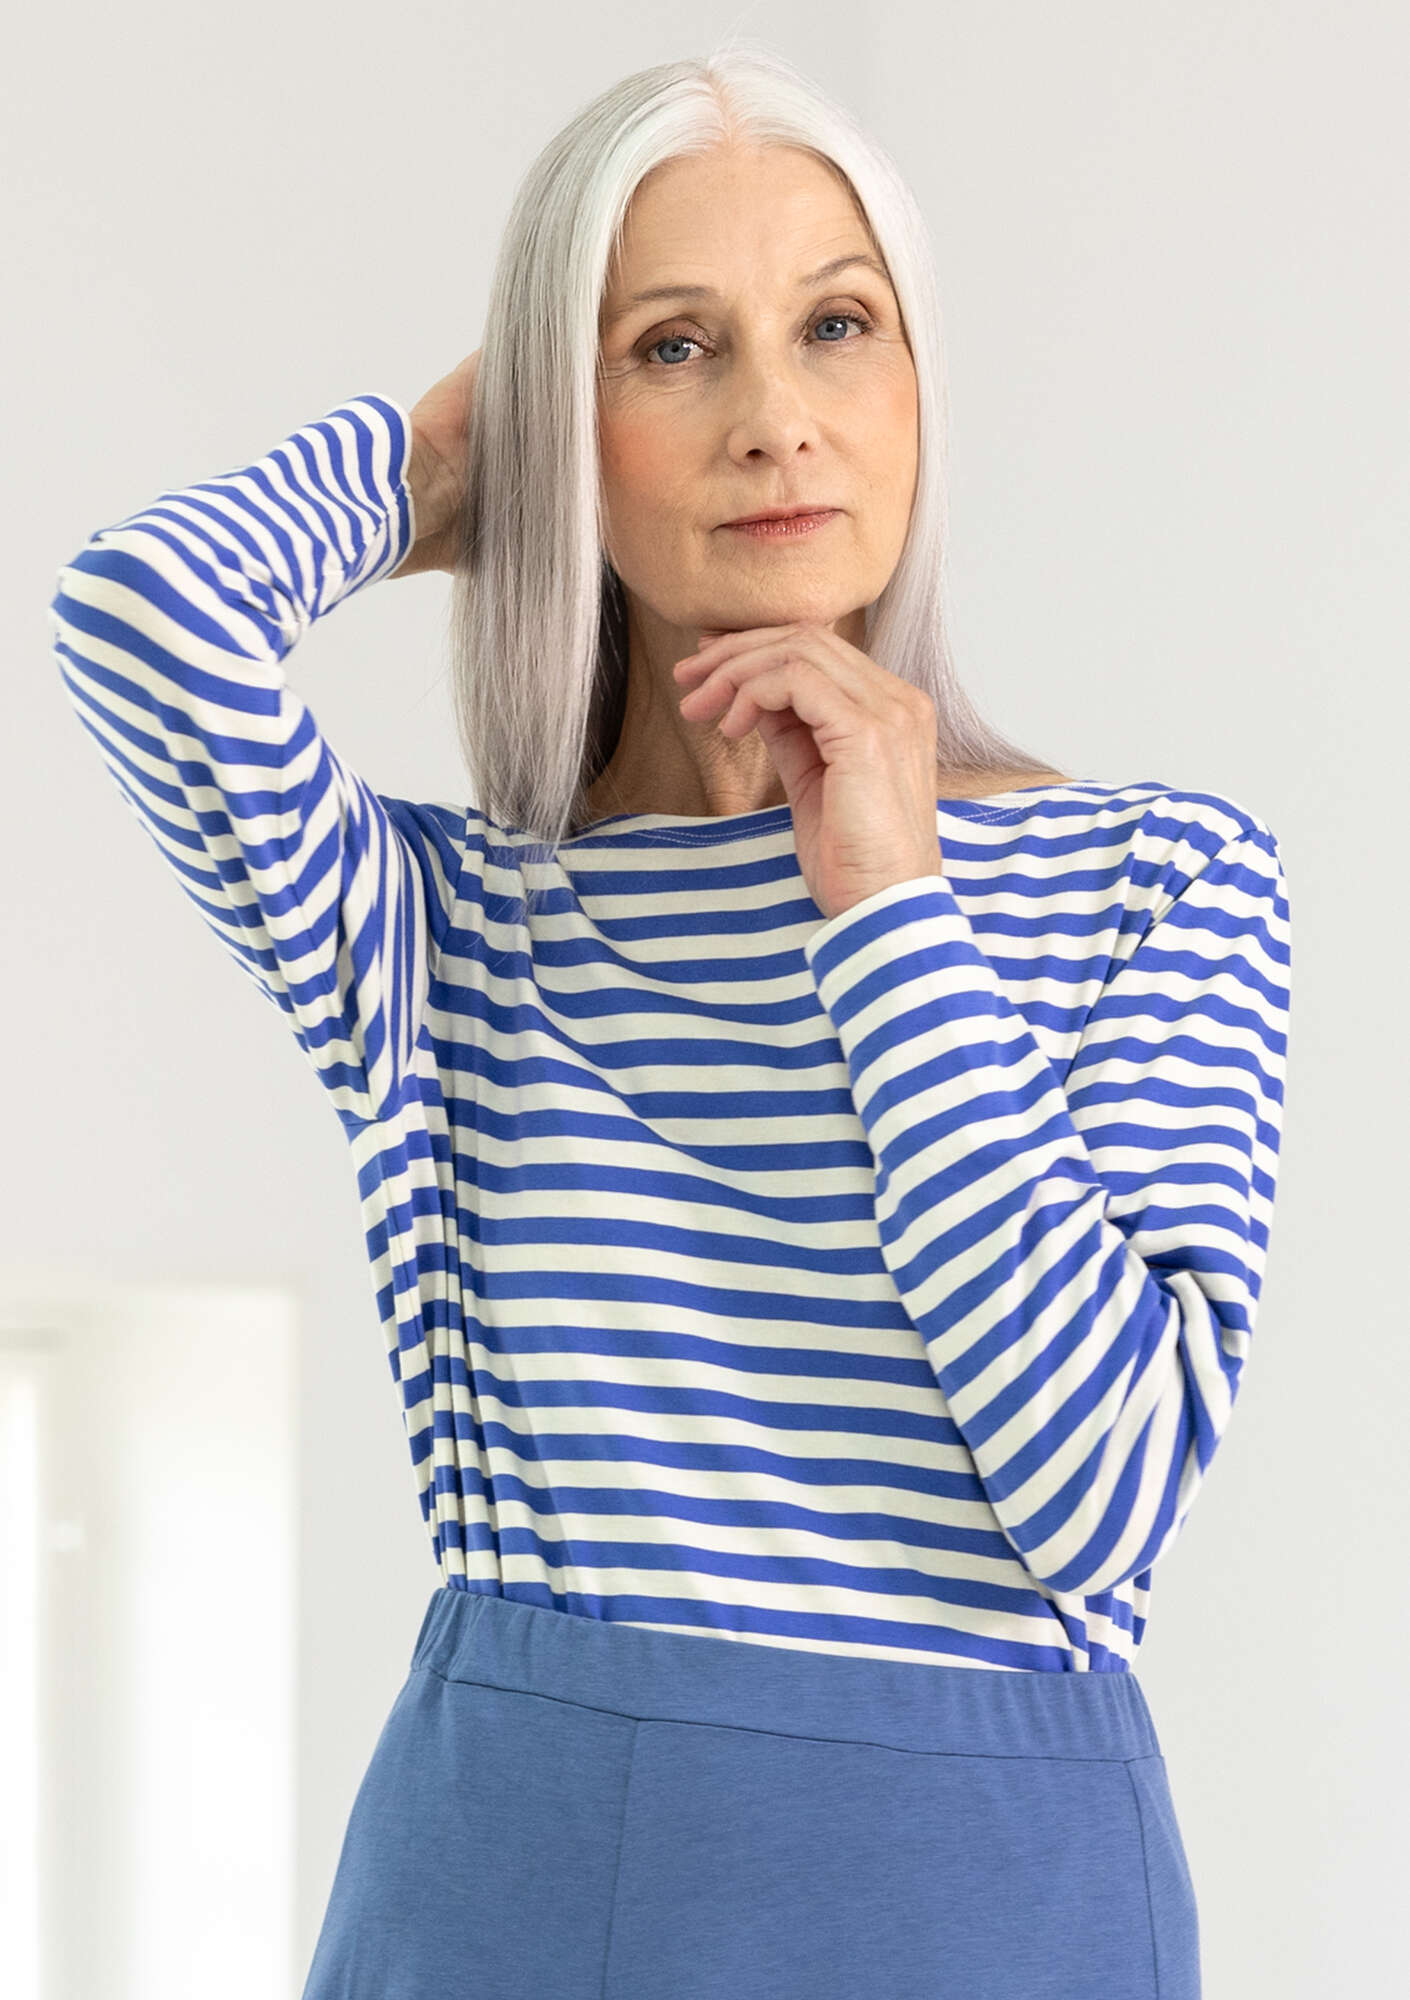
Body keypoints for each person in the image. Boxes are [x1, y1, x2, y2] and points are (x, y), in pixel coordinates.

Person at [48, 43, 1290, 2000]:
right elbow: (142, 612)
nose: (776, 420)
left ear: (917, 385)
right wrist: (441, 464)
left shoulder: (1161, 878)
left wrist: (888, 907)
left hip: (987, 1902)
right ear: (570, 426)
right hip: (526, 1884)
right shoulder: (452, 930)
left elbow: (1099, 1492)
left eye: (837, 326)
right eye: (672, 349)